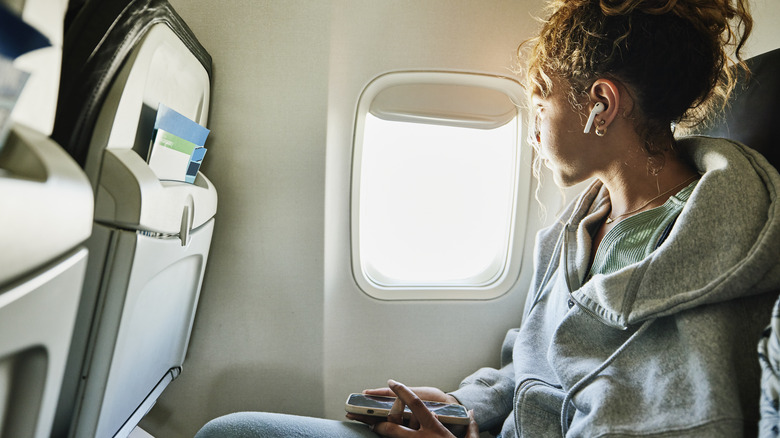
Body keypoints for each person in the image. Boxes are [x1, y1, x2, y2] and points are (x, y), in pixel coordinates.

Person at [196, 0, 780, 436]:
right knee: (233, 431)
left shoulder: (715, 244)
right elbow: (530, 363)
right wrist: (461, 406)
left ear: (601, 105)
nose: (533, 130)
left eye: (541, 102)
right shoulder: (571, 232)